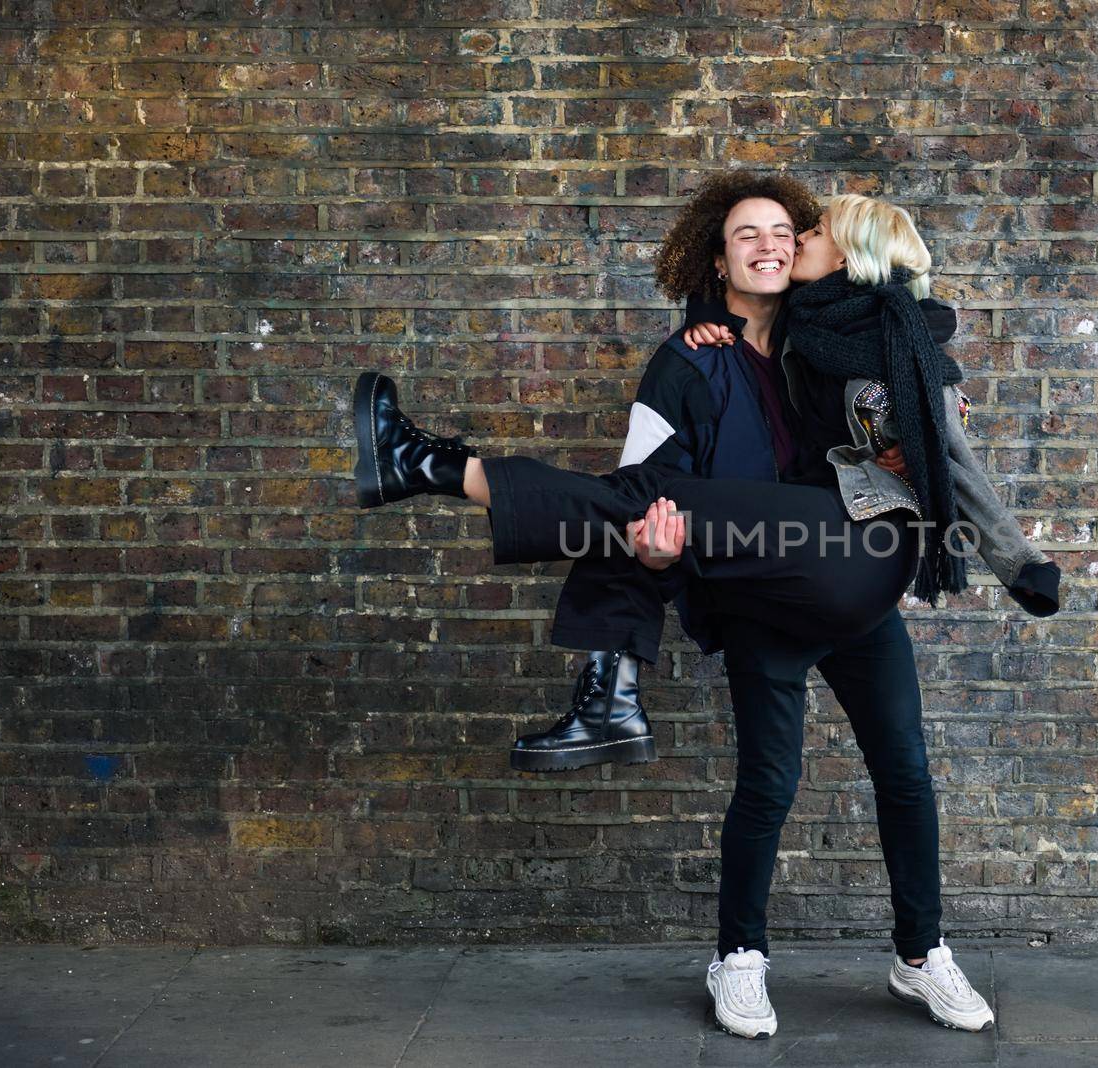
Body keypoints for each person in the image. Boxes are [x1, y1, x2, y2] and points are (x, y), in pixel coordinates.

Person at [349, 176, 1060, 1037]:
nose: (777, 246)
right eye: (750, 236)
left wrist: (1010, 548)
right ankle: (740, 958)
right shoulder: (694, 355)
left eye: (791, 234)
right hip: (764, 594)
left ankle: (921, 956)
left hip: (851, 569)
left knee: (905, 774)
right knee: (764, 774)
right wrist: (655, 533)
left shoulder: (842, 334)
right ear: (717, 259)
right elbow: (642, 485)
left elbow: (939, 436)